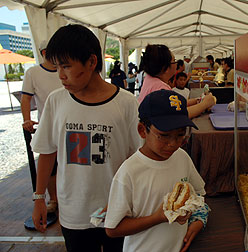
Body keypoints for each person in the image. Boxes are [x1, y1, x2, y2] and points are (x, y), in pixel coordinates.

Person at [30, 24, 141, 252]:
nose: (61, 75)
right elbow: (47, 152)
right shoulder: (56, 101)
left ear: (91, 62)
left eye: (67, 66)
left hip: (118, 209)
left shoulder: (126, 103)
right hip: (74, 212)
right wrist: (40, 198)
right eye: (57, 67)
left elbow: (138, 157)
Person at [105, 90, 209, 252]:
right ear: (142, 130)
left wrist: (198, 220)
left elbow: (198, 194)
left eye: (180, 135)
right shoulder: (129, 172)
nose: (173, 143)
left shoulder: (182, 158)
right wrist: (158, 218)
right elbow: (113, 229)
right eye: (164, 135)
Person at [21, 40, 61, 213]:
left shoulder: (64, 70)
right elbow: (26, 98)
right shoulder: (33, 73)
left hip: (68, 125)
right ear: (44, 53)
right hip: (47, 126)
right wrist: (27, 119)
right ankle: (53, 198)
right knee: (49, 166)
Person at [137, 44, 216, 118]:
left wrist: (198, 100)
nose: (176, 64)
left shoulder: (150, 79)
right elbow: (179, 114)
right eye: (174, 60)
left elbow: (175, 104)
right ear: (166, 68)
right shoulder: (160, 89)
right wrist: (205, 104)